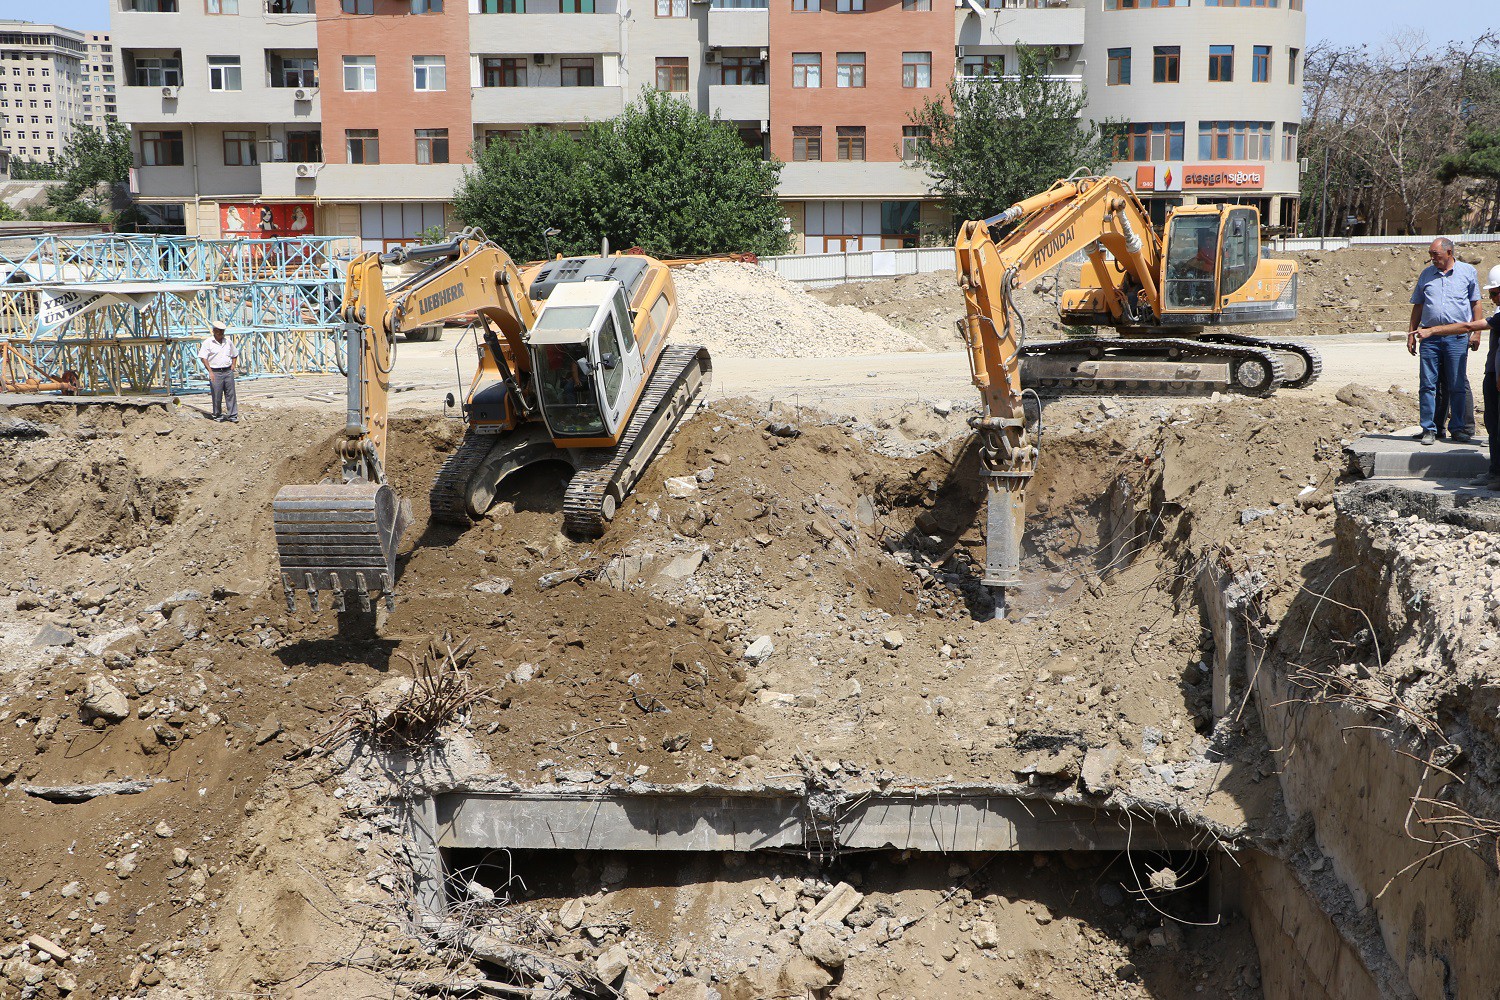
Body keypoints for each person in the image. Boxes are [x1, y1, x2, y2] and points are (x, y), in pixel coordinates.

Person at [1420, 265, 1500, 488]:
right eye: (1491, 293)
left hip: (1496, 376)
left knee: (1496, 426)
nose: (1492, 298)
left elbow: (1467, 325)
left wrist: (1433, 330)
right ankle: (1494, 472)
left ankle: (1496, 475)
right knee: (1494, 426)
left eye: (1495, 293)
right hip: (1493, 374)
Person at [1408, 238, 1482, 445]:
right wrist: (1411, 333)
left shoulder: (1467, 272)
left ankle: (1458, 429)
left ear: (1449, 252)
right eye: (1431, 254)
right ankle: (1429, 429)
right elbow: (1418, 305)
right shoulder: (1426, 275)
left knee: (1457, 384)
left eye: (1436, 254)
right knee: (1428, 385)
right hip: (1430, 339)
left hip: (1457, 338)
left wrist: (1476, 332)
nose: (1432, 259)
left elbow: (1476, 303)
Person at [198, 320, 239, 423]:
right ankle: (217, 415)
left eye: (222, 331)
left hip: (227, 370)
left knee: (230, 393)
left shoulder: (228, 342)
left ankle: (232, 415)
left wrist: (233, 365)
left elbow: (235, 354)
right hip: (215, 372)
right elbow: (203, 357)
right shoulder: (208, 342)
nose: (221, 333)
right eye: (219, 331)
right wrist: (210, 371)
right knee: (217, 394)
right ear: (214, 331)